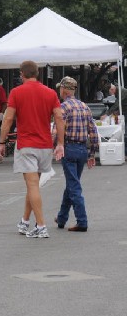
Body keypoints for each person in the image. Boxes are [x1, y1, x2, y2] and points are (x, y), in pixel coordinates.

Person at [0, 61, 65, 238]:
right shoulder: (50, 93)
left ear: (22, 74)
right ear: (37, 73)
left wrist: (2, 142)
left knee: (32, 184)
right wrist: (60, 143)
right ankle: (25, 221)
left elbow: (8, 119)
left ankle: (41, 226)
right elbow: (59, 117)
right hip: (44, 146)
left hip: (27, 144)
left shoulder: (16, 92)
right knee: (33, 185)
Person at [52, 77, 98, 232]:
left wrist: (55, 145)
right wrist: (92, 154)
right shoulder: (85, 106)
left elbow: (57, 130)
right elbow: (93, 131)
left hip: (69, 148)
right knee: (72, 184)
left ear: (64, 90)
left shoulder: (63, 107)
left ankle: (82, 221)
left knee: (74, 186)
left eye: (60, 88)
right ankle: (62, 218)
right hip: (82, 150)